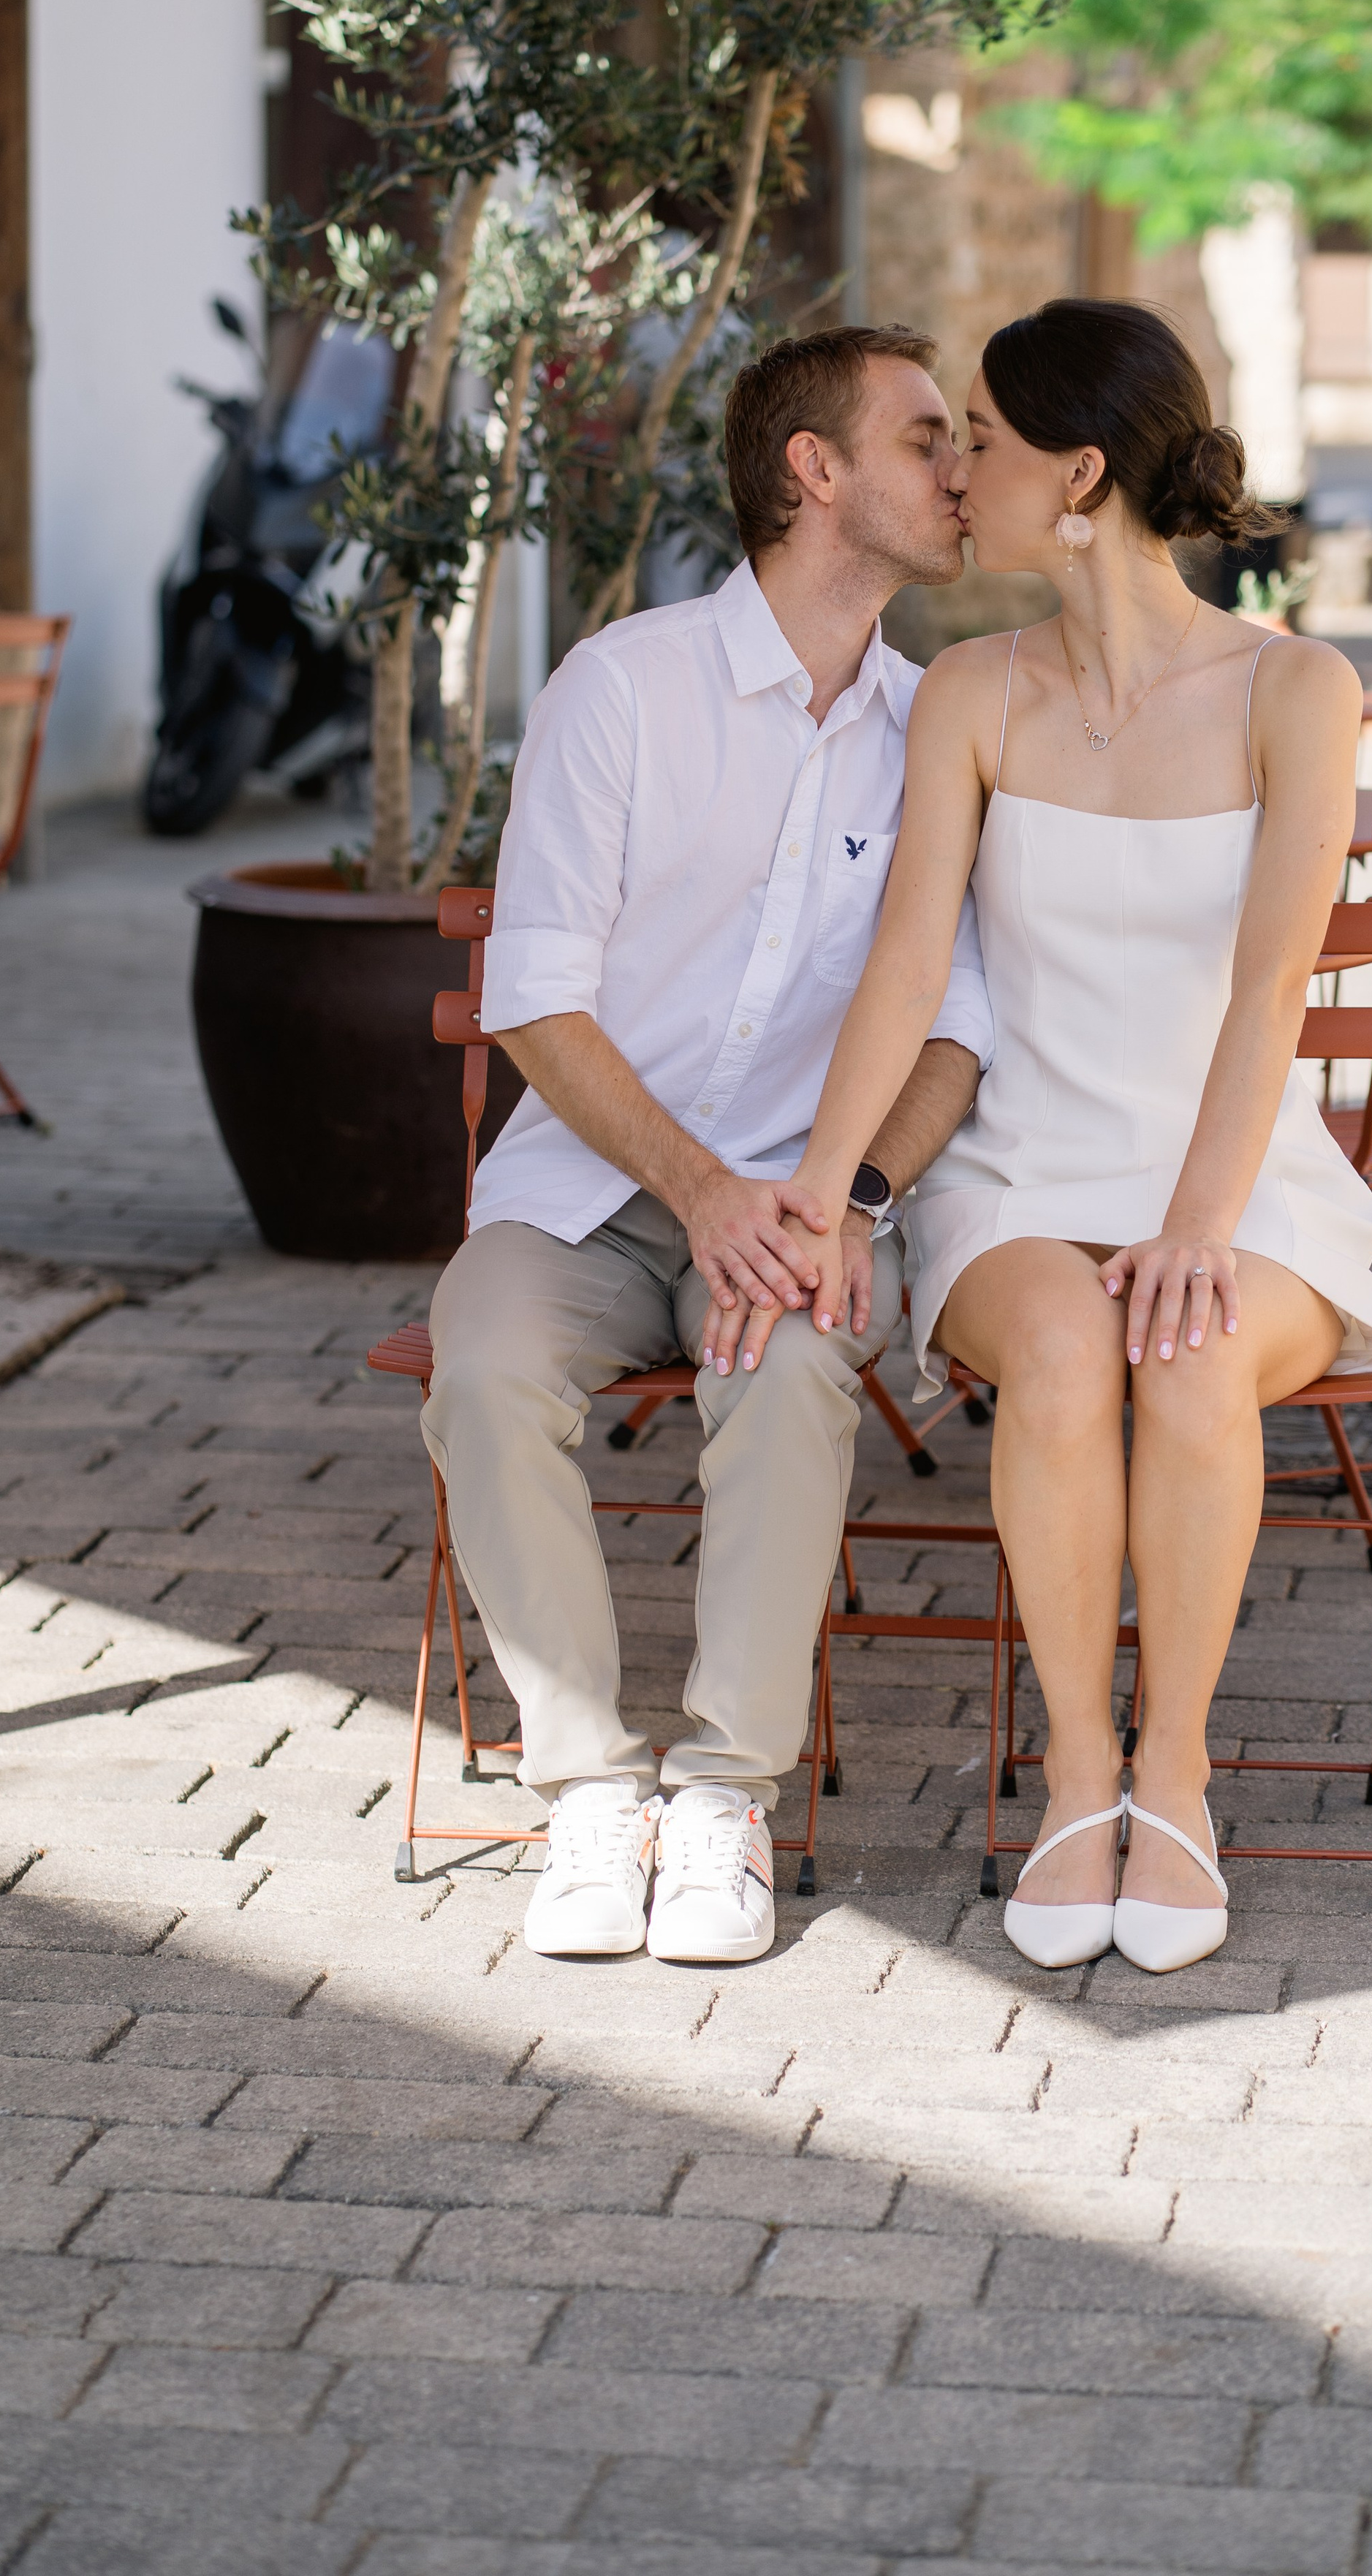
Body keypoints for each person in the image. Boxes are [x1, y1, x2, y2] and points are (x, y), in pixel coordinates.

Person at [784, 298, 1372, 1977]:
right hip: (1019, 1176)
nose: (951, 469)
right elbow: (906, 968)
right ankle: (1077, 1777)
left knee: (1189, 1352)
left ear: (1075, 476)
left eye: (978, 440)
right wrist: (823, 1192)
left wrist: (1199, 1225)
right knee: (1068, 1347)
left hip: (1240, 1179)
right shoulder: (971, 693)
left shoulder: (1296, 687)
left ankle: (1176, 1777)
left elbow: (1270, 987)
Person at [423, 325, 993, 1967]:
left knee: (797, 1367)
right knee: (485, 1369)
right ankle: (589, 1790)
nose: (961, 471)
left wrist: (847, 1200)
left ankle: (726, 1796)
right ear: (814, 470)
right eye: (925, 438)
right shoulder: (624, 688)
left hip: (807, 1204)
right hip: (598, 1188)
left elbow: (954, 1033)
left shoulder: (936, 727)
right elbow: (534, 1002)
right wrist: (699, 1190)